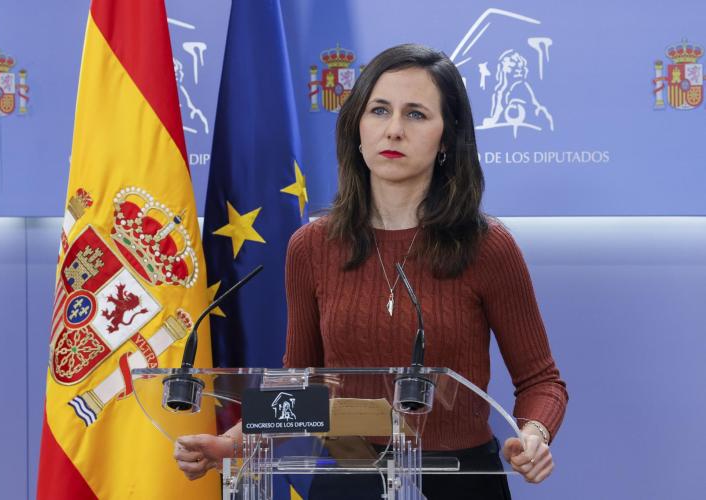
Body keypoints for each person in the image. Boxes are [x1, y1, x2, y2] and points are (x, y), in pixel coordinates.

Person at [174, 43, 568, 499]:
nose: (394, 130)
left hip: (460, 480)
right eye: (379, 110)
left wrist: (534, 435)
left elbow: (541, 381)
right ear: (357, 128)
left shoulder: (487, 246)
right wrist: (230, 445)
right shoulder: (312, 247)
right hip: (349, 476)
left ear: (447, 137)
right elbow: (302, 386)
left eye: (416, 114)